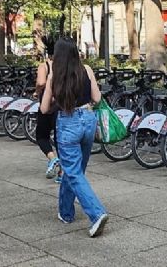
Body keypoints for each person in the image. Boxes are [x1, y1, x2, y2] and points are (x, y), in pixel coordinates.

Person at [40, 38, 108, 237]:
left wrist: (54, 98)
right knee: (75, 171)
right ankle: (66, 212)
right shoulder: (86, 69)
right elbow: (97, 98)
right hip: (88, 119)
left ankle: (97, 214)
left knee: (74, 172)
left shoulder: (55, 76)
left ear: (58, 56)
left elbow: (44, 109)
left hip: (68, 123)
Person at [35, 39, 61, 182]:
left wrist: (37, 91)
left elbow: (41, 82)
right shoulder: (63, 66)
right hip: (61, 106)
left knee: (41, 136)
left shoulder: (44, 66)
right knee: (59, 139)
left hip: (46, 106)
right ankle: (62, 173)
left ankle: (52, 158)